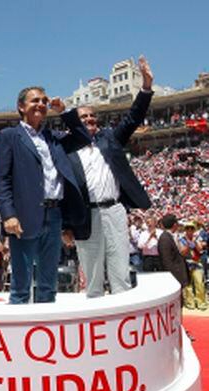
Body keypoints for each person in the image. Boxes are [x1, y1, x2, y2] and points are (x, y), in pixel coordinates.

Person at [61, 56, 153, 297]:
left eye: (93, 116)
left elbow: (133, 118)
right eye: (84, 117)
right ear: (73, 122)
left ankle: (123, 322)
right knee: (91, 275)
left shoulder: (109, 138)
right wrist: (66, 226)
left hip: (114, 210)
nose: (90, 120)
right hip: (85, 215)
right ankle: (95, 320)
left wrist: (145, 87)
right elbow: (65, 190)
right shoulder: (66, 148)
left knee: (120, 269)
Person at [0, 86, 85, 304]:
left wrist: (65, 113)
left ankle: (44, 332)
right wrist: (8, 215)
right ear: (21, 106)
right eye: (35, 100)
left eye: (44, 101)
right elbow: (2, 179)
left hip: (54, 214)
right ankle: (19, 332)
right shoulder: (9, 136)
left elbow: (82, 137)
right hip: (24, 215)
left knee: (48, 283)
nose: (41, 104)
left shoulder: (53, 137)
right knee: (21, 285)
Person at [179, 221, 208, 310]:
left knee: (199, 283)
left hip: (197, 263)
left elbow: (199, 250)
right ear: (185, 230)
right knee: (188, 285)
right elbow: (182, 252)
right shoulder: (182, 239)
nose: (190, 230)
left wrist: (195, 242)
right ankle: (190, 303)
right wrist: (188, 245)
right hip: (186, 263)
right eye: (188, 228)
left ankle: (201, 303)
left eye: (192, 228)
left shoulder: (197, 238)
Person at [158, 214, 189, 289]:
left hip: (176, 274)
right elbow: (167, 261)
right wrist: (173, 277)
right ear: (175, 225)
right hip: (174, 275)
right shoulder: (165, 238)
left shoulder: (169, 236)